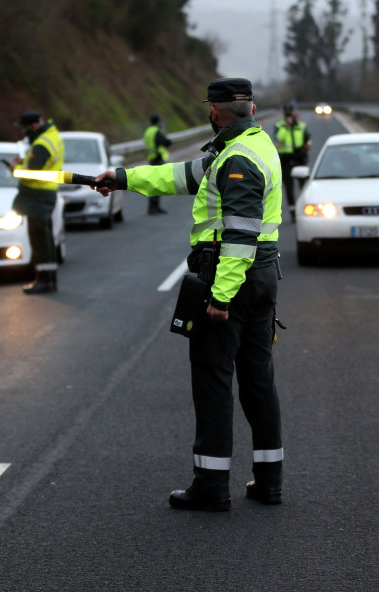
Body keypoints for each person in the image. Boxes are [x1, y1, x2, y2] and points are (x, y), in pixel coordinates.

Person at [93, 78, 284, 511]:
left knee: (214, 378)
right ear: (251, 109)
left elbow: (239, 236)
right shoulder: (252, 145)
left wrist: (220, 298)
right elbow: (181, 176)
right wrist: (121, 178)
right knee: (258, 379)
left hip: (230, 273)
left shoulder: (236, 162)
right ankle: (269, 481)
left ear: (215, 110)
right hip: (264, 276)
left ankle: (212, 486)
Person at [9, 110, 64, 294]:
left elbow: (32, 172)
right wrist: (25, 160)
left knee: (40, 240)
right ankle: (49, 279)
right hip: (47, 193)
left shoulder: (41, 144)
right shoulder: (52, 137)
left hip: (37, 196)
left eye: (25, 129)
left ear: (33, 126)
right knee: (45, 239)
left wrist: (15, 168)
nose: (24, 133)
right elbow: (42, 164)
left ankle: (44, 281)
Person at [273, 104, 310, 215]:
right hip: (286, 159)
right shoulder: (279, 126)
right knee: (289, 187)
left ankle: (305, 207)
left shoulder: (301, 125)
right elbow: (279, 138)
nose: (289, 116)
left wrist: (307, 144)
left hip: (299, 158)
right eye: (287, 114)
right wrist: (286, 127)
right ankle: (293, 211)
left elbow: (307, 139)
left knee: (303, 186)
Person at [143, 113, 172, 214]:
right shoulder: (156, 131)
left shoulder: (148, 131)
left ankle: (153, 206)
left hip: (151, 158)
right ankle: (154, 207)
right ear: (158, 121)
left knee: (153, 182)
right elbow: (164, 141)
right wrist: (168, 142)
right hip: (157, 158)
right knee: (157, 183)